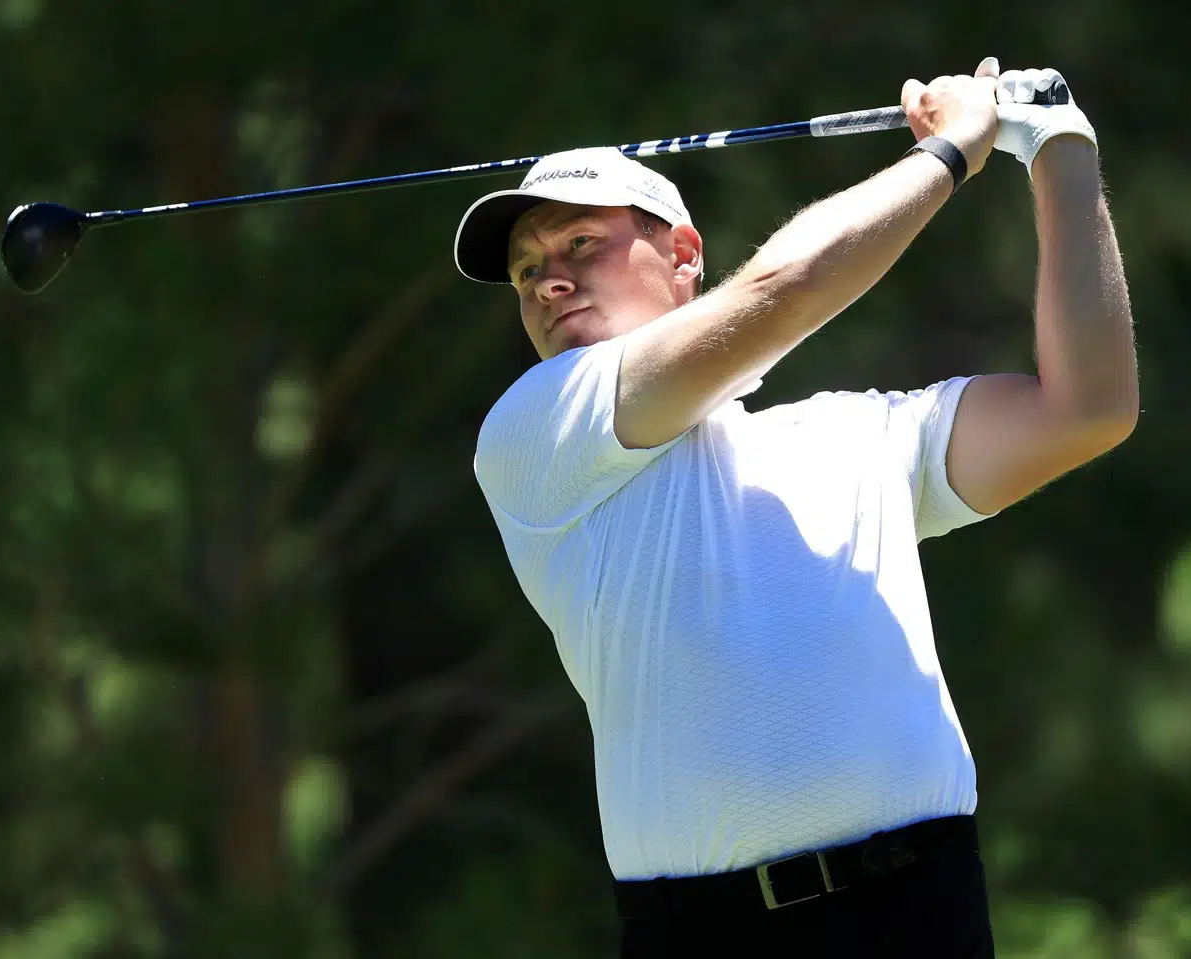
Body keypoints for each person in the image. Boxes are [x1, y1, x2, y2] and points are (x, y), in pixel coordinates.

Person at [454, 56, 1137, 958]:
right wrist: (951, 154)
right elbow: (785, 291)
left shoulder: (855, 437)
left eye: (580, 244)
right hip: (707, 931)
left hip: (921, 910)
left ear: (685, 255)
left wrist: (1057, 144)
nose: (547, 281)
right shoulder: (535, 433)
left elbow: (1086, 408)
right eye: (527, 269)